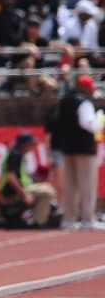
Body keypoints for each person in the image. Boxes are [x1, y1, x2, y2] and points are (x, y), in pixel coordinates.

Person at [48, 74, 102, 229]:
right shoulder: (84, 102)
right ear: (84, 87)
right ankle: (88, 219)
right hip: (84, 148)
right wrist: (99, 119)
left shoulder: (64, 101)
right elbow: (88, 124)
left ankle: (69, 219)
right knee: (87, 184)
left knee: (70, 184)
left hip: (67, 147)